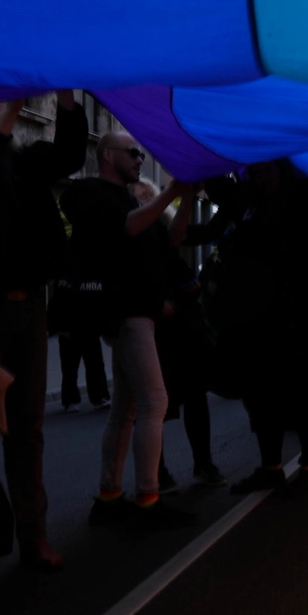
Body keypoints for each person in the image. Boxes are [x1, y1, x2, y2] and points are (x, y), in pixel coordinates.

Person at [0, 92, 85, 573]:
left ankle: (34, 536)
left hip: (29, 308)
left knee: (26, 430)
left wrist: (67, 99)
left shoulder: (22, 162)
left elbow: (70, 155)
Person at [61, 131, 195, 529]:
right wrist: (171, 189)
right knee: (154, 402)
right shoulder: (91, 194)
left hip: (138, 314)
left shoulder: (133, 200)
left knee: (127, 408)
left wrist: (186, 197)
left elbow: (170, 239)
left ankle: (110, 494)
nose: (139, 158)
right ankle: (148, 498)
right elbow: (130, 228)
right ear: (106, 155)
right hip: (126, 312)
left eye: (141, 152)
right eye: (132, 152)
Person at [215, 148, 308, 495]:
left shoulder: (307, 200)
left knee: (304, 391)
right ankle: (271, 467)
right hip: (256, 320)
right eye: (256, 170)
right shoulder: (248, 204)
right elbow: (217, 186)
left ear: (282, 168)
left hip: (303, 319)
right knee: (261, 396)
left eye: (269, 169)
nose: (263, 176)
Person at [127, 179, 226, 493]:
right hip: (152, 325)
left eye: (149, 196)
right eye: (139, 199)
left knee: (195, 395)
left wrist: (197, 196)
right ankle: (157, 473)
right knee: (154, 404)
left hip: (183, 325)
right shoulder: (128, 234)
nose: (145, 202)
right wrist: (158, 305)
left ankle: (203, 463)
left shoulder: (168, 233)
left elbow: (208, 232)